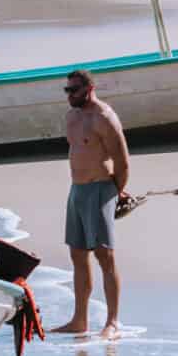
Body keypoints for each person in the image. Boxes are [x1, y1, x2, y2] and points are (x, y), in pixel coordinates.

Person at [53, 69, 130, 338]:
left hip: (100, 188)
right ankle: (79, 319)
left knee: (104, 255)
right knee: (77, 253)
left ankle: (113, 322)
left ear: (89, 88)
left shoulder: (104, 118)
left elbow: (122, 161)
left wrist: (117, 193)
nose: (69, 95)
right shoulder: (72, 116)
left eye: (73, 90)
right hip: (77, 189)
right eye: (67, 90)